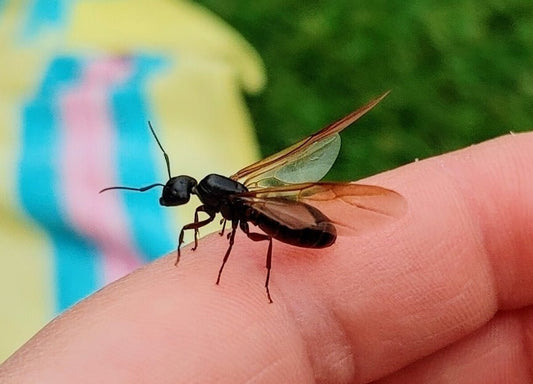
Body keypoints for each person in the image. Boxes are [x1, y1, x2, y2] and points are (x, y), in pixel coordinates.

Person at [1, 132, 532, 383]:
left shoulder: (228, 202)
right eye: (174, 193)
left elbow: (233, 234)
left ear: (194, 192)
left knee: (249, 238)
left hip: (299, 229)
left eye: (177, 191)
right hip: (268, 217)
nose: (175, 196)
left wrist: (242, 268)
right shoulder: (216, 197)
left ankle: (268, 280)